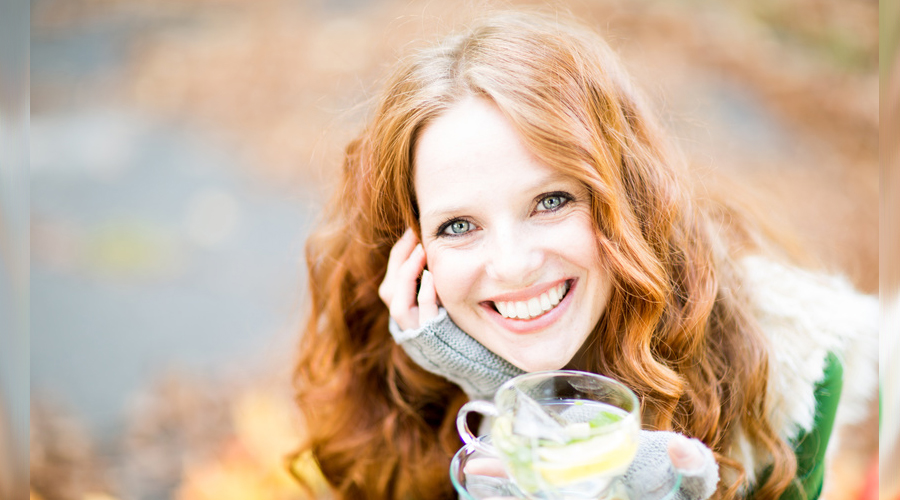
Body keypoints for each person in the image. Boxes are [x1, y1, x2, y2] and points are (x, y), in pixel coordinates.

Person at [291, 10, 877, 500]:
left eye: (551, 200)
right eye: (459, 225)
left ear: (627, 198)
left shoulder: (782, 377)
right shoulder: (393, 380)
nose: (514, 264)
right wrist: (496, 391)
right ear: (411, 252)